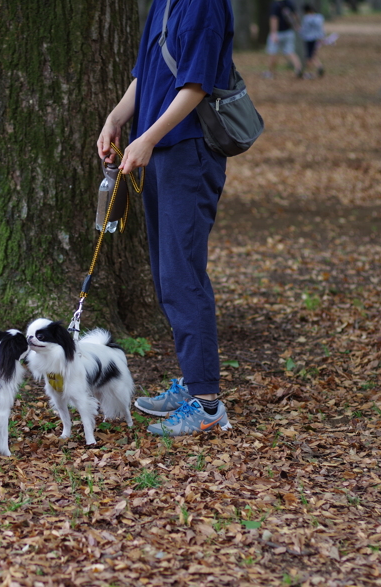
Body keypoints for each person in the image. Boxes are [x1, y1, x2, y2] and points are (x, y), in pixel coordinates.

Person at [96, 0, 234, 437]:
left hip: (187, 154)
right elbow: (147, 73)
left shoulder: (204, 5)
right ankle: (192, 383)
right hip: (158, 153)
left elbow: (195, 87)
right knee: (164, 274)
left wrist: (149, 138)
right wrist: (118, 118)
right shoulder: (164, 3)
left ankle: (208, 404)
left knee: (182, 276)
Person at [263, 0, 303, 78]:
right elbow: (295, 15)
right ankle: (298, 68)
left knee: (273, 52)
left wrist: (273, 33)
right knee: (290, 52)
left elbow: (274, 19)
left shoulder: (275, 5)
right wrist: (297, 25)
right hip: (289, 32)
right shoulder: (290, 3)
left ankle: (270, 73)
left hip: (278, 33)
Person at [300, 3, 325, 78]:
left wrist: (300, 31)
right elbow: (321, 28)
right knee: (312, 55)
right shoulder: (319, 17)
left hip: (308, 39)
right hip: (317, 38)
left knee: (309, 56)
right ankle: (319, 67)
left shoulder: (306, 18)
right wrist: (321, 37)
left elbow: (304, 29)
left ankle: (309, 71)